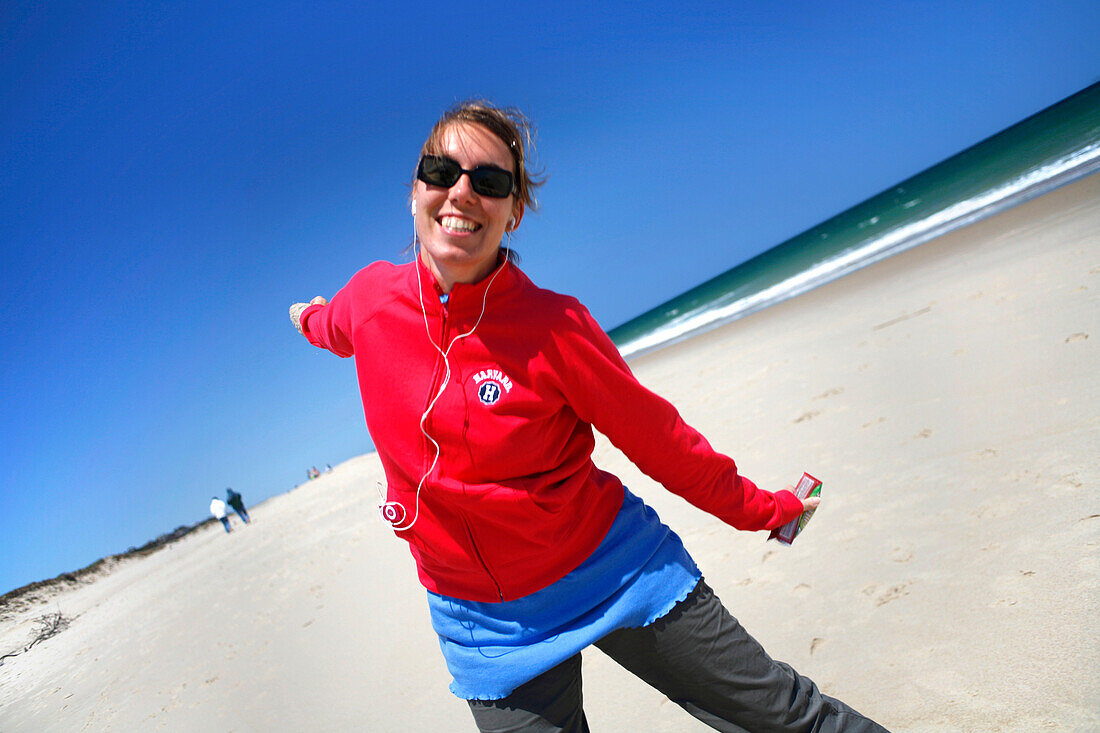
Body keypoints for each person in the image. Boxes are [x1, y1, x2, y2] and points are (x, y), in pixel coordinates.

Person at [289, 100, 888, 732]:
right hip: (485, 623)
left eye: (490, 182)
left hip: (614, 567)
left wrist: (764, 508)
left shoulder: (556, 327)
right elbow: (331, 325)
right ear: (416, 191)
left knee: (786, 717)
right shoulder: (370, 299)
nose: (461, 193)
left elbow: (660, 440)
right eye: (442, 172)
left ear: (514, 212)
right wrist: (308, 316)